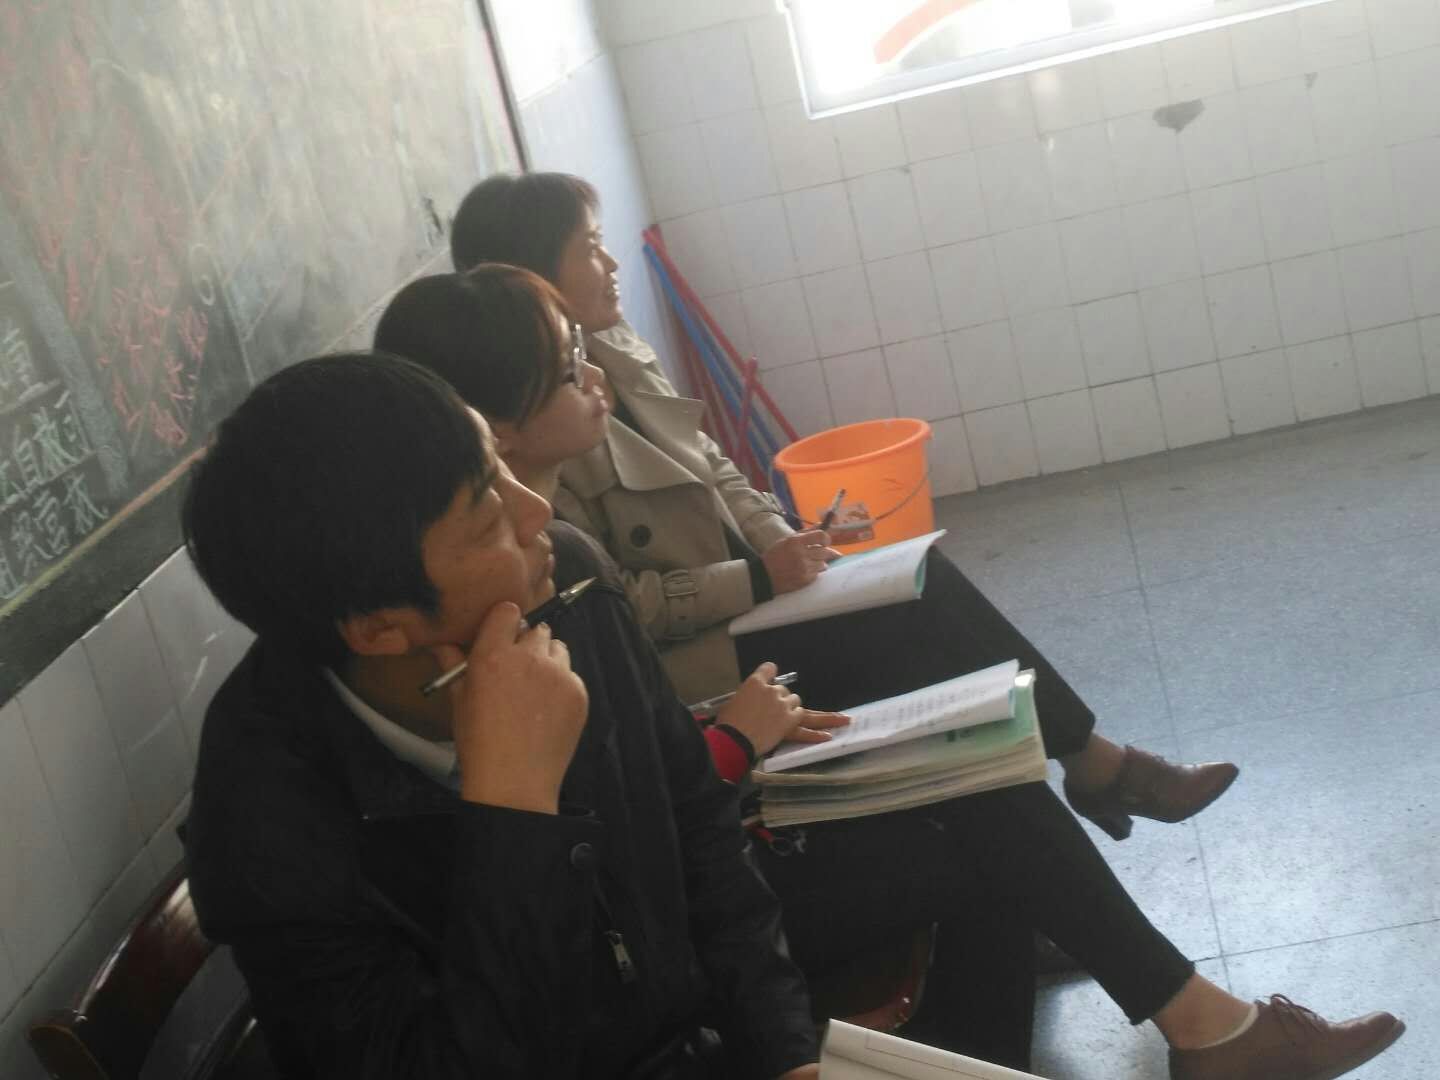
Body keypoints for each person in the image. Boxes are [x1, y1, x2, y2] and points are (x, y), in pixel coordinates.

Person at [372, 263, 1405, 1079]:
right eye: (566, 366)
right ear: (492, 426)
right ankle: (1172, 962)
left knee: (958, 707)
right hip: (705, 831)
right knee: (968, 773)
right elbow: (623, 867)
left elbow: (656, 777)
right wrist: (728, 733)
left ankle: (1167, 998)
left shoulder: (562, 557)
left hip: (720, 788)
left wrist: (756, 641)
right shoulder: (419, 700)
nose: (529, 512)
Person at [179, 353, 822, 1079]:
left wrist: (786, 1053)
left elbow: (698, 824)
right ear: (381, 629)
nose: (537, 513)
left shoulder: (565, 581)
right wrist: (514, 808)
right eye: (489, 519)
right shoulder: (266, 823)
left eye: (501, 469)